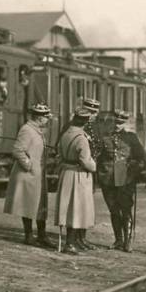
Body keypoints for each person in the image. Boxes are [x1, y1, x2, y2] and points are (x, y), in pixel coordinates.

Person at [3, 103, 55, 249]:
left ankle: (42, 235)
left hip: (38, 174)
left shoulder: (37, 130)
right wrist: (29, 165)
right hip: (29, 174)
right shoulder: (27, 130)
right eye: (46, 117)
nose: (47, 120)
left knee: (40, 204)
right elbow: (17, 150)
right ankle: (29, 235)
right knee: (28, 205)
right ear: (39, 117)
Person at [98, 109, 146, 252]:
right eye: (115, 122)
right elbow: (99, 157)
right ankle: (118, 240)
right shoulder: (105, 137)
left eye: (120, 122)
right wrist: (100, 173)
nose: (117, 125)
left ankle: (128, 241)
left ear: (124, 123)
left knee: (125, 209)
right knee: (113, 209)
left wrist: (134, 171)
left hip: (125, 178)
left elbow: (141, 158)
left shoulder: (131, 138)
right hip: (108, 178)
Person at [53, 104, 97, 255]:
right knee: (76, 209)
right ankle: (70, 244)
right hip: (78, 176)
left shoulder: (65, 134)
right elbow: (85, 161)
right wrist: (94, 166)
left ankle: (70, 242)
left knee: (67, 208)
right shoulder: (81, 138)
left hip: (66, 173)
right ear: (85, 121)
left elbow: (59, 155)